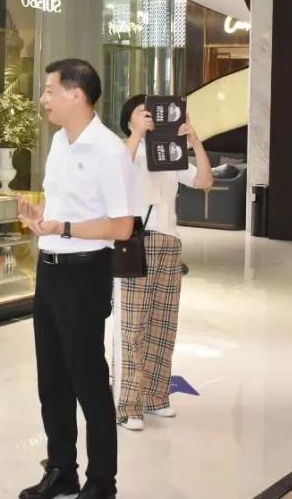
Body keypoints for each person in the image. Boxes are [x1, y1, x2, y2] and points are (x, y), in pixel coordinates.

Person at [17, 59, 135, 499]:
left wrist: (64, 228)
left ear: (76, 94)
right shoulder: (58, 143)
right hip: (49, 271)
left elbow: (122, 226)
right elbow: (60, 205)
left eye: (50, 90)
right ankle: (61, 469)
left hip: (85, 273)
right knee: (52, 380)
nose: (43, 99)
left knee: (88, 379)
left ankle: (102, 481)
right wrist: (41, 218)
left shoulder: (109, 151)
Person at [115, 95, 213, 432]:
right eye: (141, 114)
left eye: (151, 114)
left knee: (164, 323)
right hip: (137, 242)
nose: (149, 118)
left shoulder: (168, 155)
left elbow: (204, 181)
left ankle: (156, 397)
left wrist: (195, 141)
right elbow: (116, 174)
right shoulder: (126, 151)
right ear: (129, 120)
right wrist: (137, 135)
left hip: (169, 242)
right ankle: (129, 406)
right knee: (133, 326)